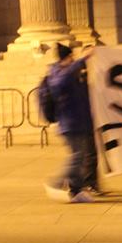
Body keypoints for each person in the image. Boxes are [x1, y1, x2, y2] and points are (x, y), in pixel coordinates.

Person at [43, 43, 99, 203]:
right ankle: (56, 183)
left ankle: (76, 191)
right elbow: (61, 82)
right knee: (77, 156)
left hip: (80, 121)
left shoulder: (70, 73)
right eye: (70, 57)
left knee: (80, 157)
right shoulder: (57, 74)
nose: (73, 59)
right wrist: (83, 59)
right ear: (65, 58)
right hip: (70, 123)